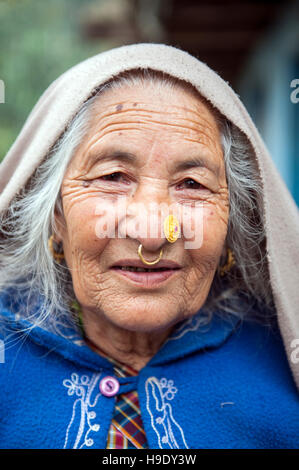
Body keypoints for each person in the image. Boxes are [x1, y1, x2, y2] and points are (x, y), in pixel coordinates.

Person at [0, 43, 298, 450]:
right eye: (113, 176)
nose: (152, 233)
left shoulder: (282, 364)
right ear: (56, 216)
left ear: (231, 221)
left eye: (191, 184)